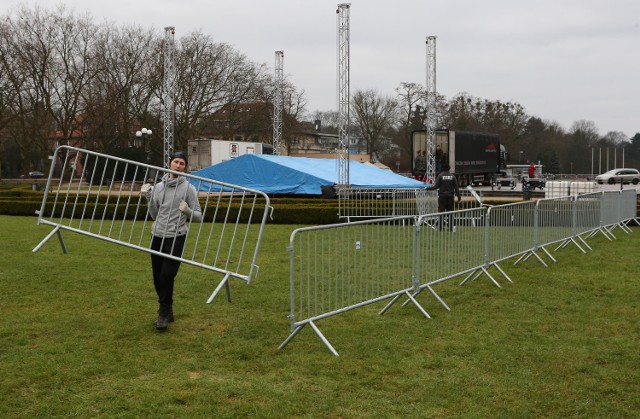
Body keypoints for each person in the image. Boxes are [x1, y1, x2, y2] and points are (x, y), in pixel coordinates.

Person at [141, 151, 202, 331]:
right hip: (157, 235)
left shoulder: (189, 188)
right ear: (169, 164)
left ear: (185, 167)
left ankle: (162, 314)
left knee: (167, 276)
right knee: (157, 278)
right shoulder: (159, 187)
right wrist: (148, 199)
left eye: (182, 163)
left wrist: (188, 211)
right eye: (176, 162)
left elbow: (199, 216)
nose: (178, 165)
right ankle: (168, 310)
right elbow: (154, 215)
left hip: (176, 237)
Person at [427, 164, 461, 231]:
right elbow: (456, 189)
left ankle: (441, 228)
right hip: (450, 197)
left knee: (441, 213)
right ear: (449, 168)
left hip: (442, 197)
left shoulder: (440, 176)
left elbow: (436, 186)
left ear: (442, 168)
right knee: (450, 213)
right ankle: (451, 228)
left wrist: (428, 188)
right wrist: (459, 198)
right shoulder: (453, 177)